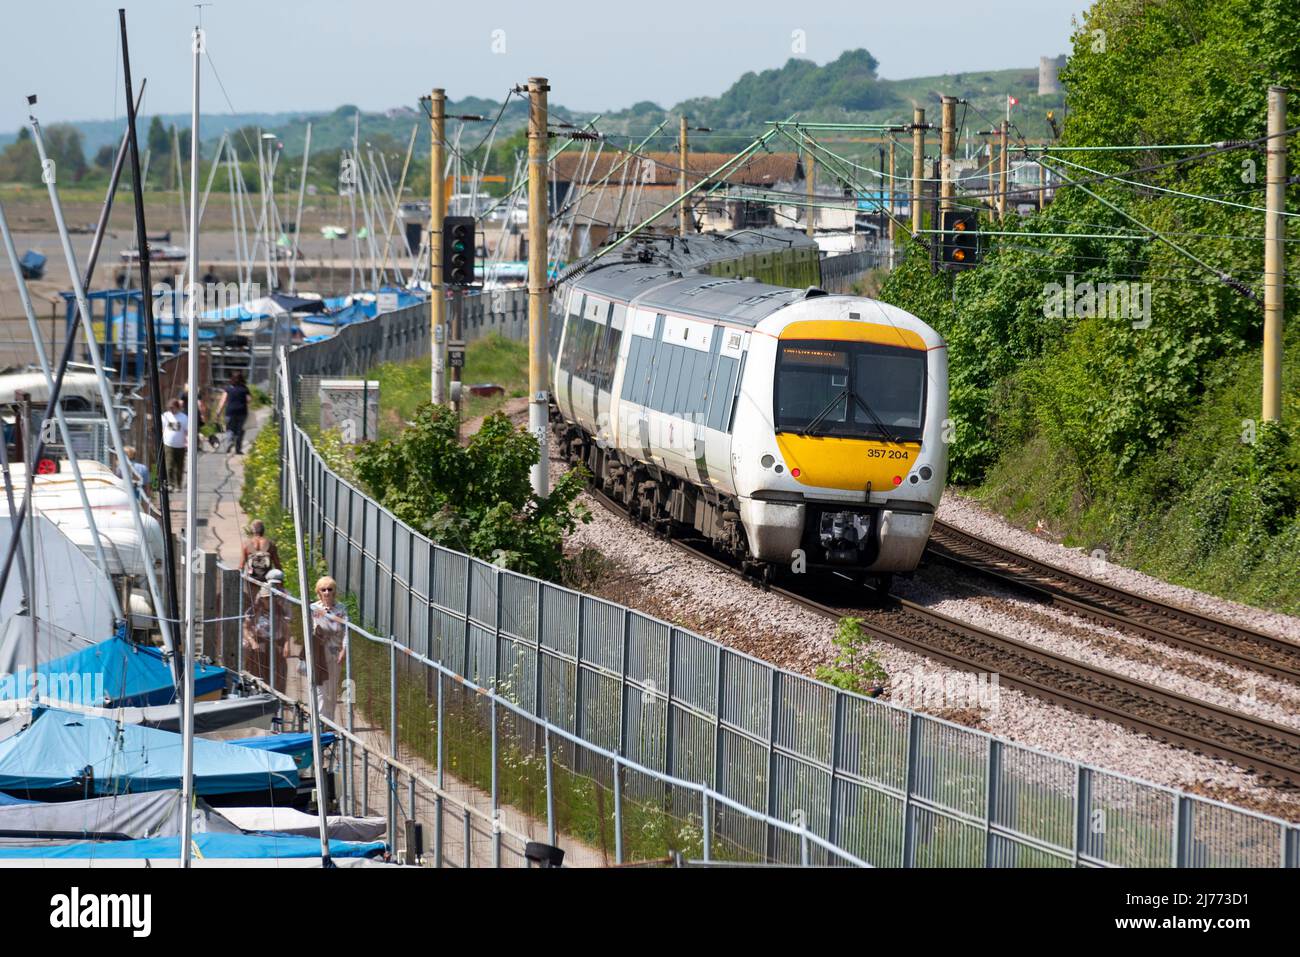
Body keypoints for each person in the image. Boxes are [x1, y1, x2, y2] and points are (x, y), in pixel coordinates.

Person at [242, 568, 291, 693]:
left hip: (276, 641)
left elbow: (287, 625)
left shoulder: (281, 606)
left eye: (271, 597)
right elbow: (246, 627)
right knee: (257, 669)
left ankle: (277, 696)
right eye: (265, 598)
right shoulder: (255, 609)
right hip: (260, 643)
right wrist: (252, 641)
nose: (268, 600)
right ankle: (257, 693)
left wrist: (287, 644)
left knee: (278, 671)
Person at [309, 576, 348, 723]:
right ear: (318, 592)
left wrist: (344, 650)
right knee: (320, 688)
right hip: (319, 652)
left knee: (332, 690)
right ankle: (319, 720)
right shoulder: (313, 608)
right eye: (323, 590)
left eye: (329, 589)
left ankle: (329, 721)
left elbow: (346, 631)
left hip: (335, 651)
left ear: (334, 592)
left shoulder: (341, 609)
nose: (326, 592)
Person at [240, 519, 283, 605]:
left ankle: (253, 615)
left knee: (252, 603)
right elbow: (277, 565)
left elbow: (241, 565)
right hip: (266, 579)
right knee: (266, 603)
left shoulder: (247, 544)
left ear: (252, 531)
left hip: (251, 579)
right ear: (263, 530)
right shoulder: (270, 544)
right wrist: (281, 583)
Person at [212, 371, 251, 455]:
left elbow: (223, 401)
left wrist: (218, 413)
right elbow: (249, 400)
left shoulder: (228, 388)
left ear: (232, 379)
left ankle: (229, 443)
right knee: (240, 430)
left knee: (230, 429)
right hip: (242, 412)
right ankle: (238, 449)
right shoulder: (244, 388)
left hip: (230, 412)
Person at [160, 397, 188, 491]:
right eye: (170, 408)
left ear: (177, 407)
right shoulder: (165, 416)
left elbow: (186, 431)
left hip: (180, 445)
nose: (171, 409)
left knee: (179, 466)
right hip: (168, 444)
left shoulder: (183, 417)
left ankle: (178, 485)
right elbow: (162, 428)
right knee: (169, 464)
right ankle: (170, 484)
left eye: (173, 407)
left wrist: (187, 443)